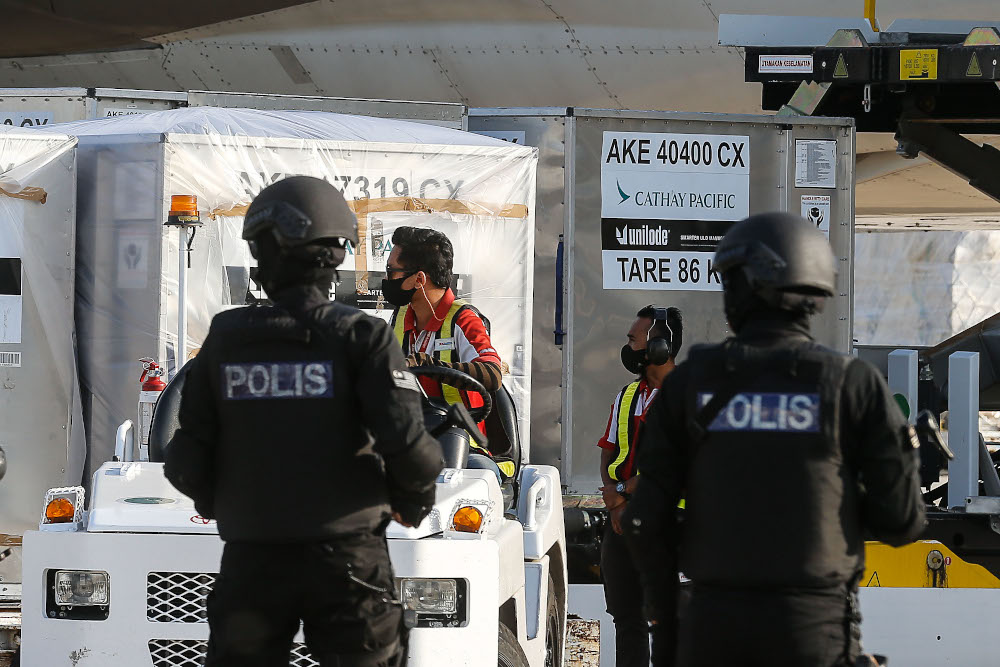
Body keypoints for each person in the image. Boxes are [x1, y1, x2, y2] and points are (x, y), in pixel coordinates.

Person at [623, 212, 926, 667]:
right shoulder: (853, 385)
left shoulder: (689, 385)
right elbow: (902, 523)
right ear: (815, 291)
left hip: (711, 629)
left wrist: (667, 635)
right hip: (815, 632)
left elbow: (646, 521)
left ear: (741, 289)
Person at [164, 176, 443, 667]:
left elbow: (185, 457)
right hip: (348, 562)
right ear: (335, 254)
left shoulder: (228, 337)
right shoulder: (363, 336)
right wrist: (412, 505)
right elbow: (413, 451)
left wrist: (221, 503)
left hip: (252, 561)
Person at [380, 226, 512, 479]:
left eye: (391, 271)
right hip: (411, 442)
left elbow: (493, 373)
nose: (387, 280)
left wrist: (435, 368)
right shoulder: (399, 318)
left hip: (465, 445)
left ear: (419, 279)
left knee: (477, 475)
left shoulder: (463, 319)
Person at [598, 305, 682, 667]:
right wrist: (615, 502)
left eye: (634, 339)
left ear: (660, 346)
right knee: (626, 616)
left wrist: (625, 493)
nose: (628, 347)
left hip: (667, 524)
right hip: (621, 520)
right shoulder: (627, 394)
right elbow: (608, 451)